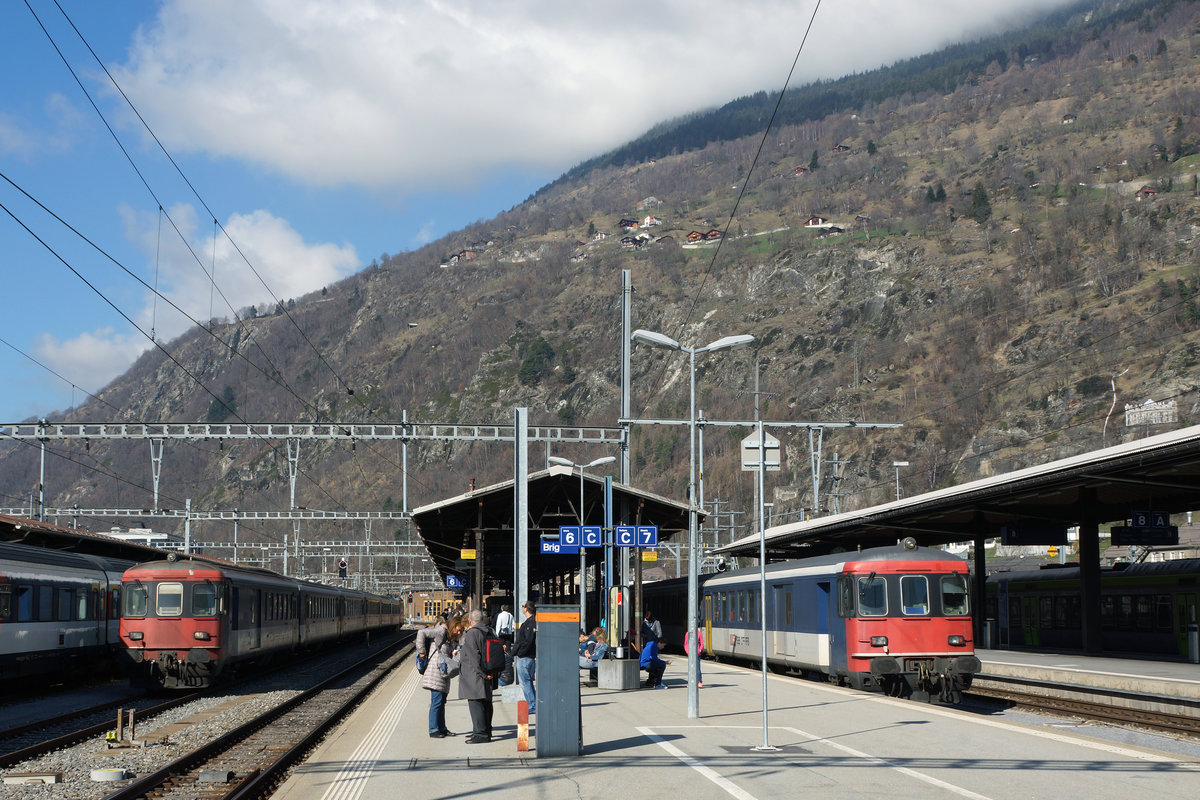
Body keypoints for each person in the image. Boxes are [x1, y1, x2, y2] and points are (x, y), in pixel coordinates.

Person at [457, 608, 494, 743]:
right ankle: (485, 731)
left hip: (475, 675)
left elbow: (474, 657)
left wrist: (482, 674)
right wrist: (488, 673)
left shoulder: (472, 633)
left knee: (475, 703)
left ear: (470, 620)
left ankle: (480, 734)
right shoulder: (489, 630)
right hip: (487, 672)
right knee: (485, 703)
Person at [419, 615, 458, 738]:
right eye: (458, 629)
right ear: (453, 626)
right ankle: (433, 729)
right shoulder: (440, 631)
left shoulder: (447, 634)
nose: (459, 632)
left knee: (441, 701)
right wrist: (421, 652)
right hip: (435, 671)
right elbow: (421, 632)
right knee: (437, 701)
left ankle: (442, 728)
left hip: (442, 671)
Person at [511, 601, 537, 715]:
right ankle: (533, 703)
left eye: (523, 606)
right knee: (527, 681)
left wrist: (519, 653)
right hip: (528, 656)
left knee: (525, 682)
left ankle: (532, 704)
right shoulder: (531, 622)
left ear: (526, 609)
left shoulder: (530, 623)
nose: (522, 608)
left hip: (525, 657)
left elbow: (527, 641)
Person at [684, 623, 705, 688]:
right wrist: (688, 652)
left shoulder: (699, 634)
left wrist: (699, 651)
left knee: (697, 668)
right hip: (690, 654)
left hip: (697, 653)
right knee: (691, 668)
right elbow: (685, 644)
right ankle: (690, 682)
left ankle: (699, 681)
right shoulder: (688, 634)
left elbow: (702, 644)